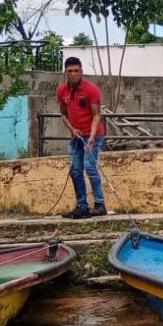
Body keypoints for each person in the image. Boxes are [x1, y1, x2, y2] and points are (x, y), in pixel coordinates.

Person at [55, 56, 106, 218]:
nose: (73, 74)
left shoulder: (91, 90)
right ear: (65, 72)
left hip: (93, 135)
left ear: (81, 71)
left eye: (76, 71)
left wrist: (91, 137)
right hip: (75, 136)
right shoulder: (61, 91)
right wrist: (72, 128)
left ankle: (99, 204)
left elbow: (97, 116)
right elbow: (63, 114)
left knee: (90, 167)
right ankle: (81, 205)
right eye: (70, 71)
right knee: (75, 170)